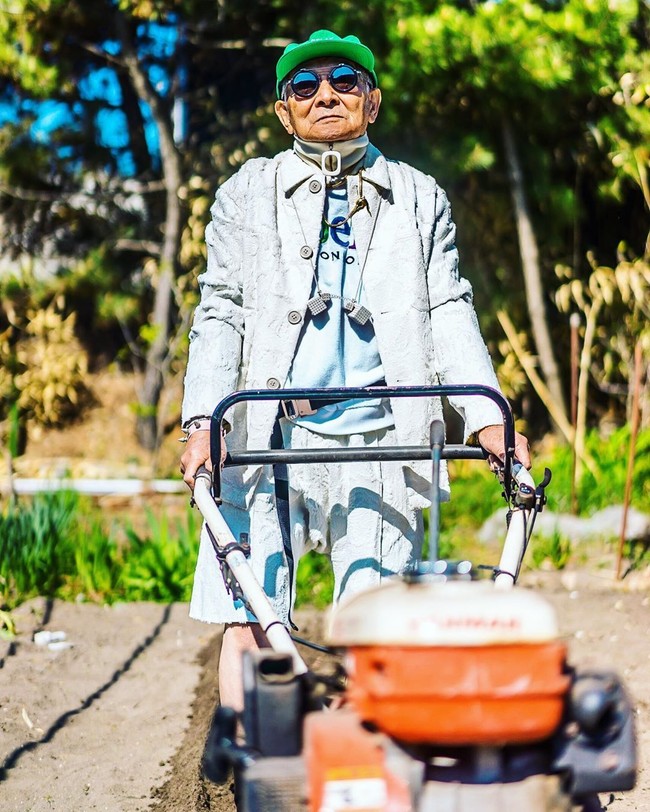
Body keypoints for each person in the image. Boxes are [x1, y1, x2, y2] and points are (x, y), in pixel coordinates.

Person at [180, 29, 530, 711]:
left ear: (373, 101)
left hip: (378, 429)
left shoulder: (419, 197)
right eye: (304, 87)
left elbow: (449, 306)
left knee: (372, 619)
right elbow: (219, 309)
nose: (326, 95)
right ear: (284, 112)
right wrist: (205, 421)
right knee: (251, 612)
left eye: (344, 80)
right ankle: (252, 768)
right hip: (263, 433)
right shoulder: (246, 195)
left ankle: (355, 769)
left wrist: (488, 419)